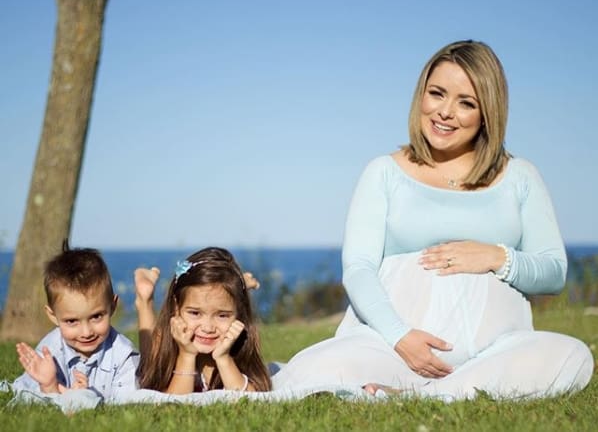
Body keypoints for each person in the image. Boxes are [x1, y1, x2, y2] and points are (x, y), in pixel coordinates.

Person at [272, 40, 593, 400]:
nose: (445, 112)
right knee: (312, 372)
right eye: (437, 94)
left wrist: (496, 257)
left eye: (466, 103)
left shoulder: (519, 176)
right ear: (420, 95)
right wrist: (400, 337)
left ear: (488, 112)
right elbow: (359, 267)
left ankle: (423, 395)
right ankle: (427, 389)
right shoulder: (383, 172)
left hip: (495, 352)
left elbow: (553, 271)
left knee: (574, 357)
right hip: (390, 348)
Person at [12, 240, 139, 401]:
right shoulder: (50, 351)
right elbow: (25, 398)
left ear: (113, 307)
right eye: (72, 321)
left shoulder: (123, 355)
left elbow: (128, 405)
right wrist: (50, 387)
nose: (86, 332)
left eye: (96, 316)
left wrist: (84, 397)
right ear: (52, 316)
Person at [135, 246, 271, 393]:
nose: (208, 328)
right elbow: (173, 404)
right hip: (168, 341)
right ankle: (144, 300)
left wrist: (223, 357)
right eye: (195, 313)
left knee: (223, 294)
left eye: (222, 315)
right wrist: (186, 355)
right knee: (150, 358)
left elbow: (251, 400)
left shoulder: (241, 344)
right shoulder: (168, 343)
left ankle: (240, 285)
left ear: (238, 315)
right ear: (177, 307)